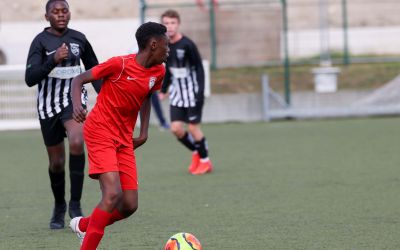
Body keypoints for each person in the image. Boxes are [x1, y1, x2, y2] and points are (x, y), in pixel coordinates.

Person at [68, 22, 168, 249]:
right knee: (112, 194)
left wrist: (143, 132)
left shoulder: (159, 71)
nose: (168, 50)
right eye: (166, 45)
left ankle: (84, 225)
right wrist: (76, 105)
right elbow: (79, 79)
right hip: (100, 131)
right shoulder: (119, 64)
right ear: (153, 45)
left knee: (129, 205)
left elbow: (147, 96)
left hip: (124, 138)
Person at [25, 0, 102, 229]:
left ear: (69, 13)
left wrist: (105, 96)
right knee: (56, 163)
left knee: (78, 141)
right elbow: (31, 78)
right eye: (55, 12)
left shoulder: (79, 38)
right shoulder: (40, 42)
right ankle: (59, 206)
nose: (61, 15)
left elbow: (94, 68)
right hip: (48, 107)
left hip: (73, 102)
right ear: (46, 16)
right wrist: (53, 59)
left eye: (64, 10)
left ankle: (75, 205)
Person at [159, 9, 213, 175]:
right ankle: (196, 151)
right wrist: (164, 89)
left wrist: (200, 92)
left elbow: (199, 69)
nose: (170, 26)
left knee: (193, 128)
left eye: (173, 23)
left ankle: (205, 161)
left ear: (179, 24)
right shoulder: (164, 45)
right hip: (176, 95)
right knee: (176, 129)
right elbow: (168, 69)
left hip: (192, 93)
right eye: (166, 23)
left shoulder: (187, 44)